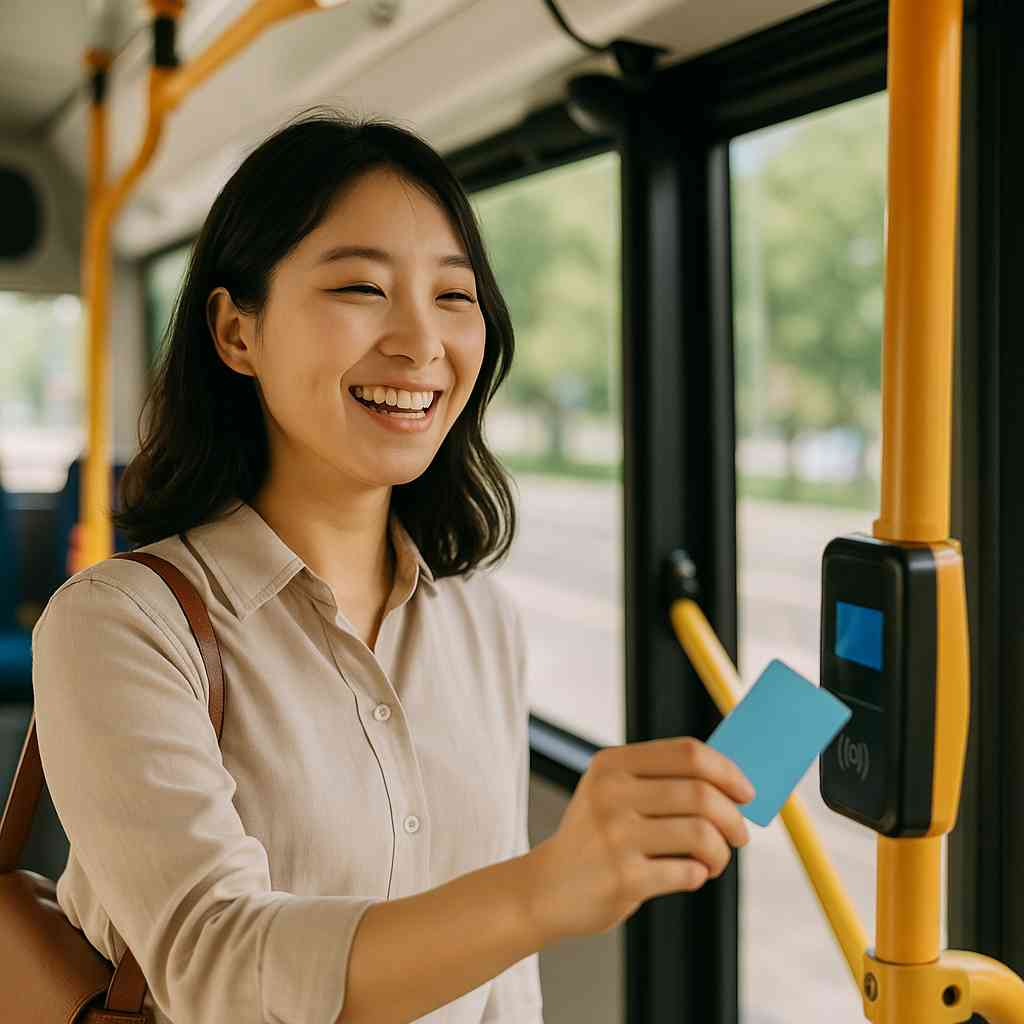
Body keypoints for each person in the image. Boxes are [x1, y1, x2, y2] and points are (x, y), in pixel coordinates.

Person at [30, 107, 755, 1024]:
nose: (421, 343)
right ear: (235, 333)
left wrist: (530, 905)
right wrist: (547, 888)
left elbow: (502, 984)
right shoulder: (117, 625)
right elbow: (215, 965)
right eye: (362, 289)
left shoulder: (479, 618)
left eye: (454, 297)